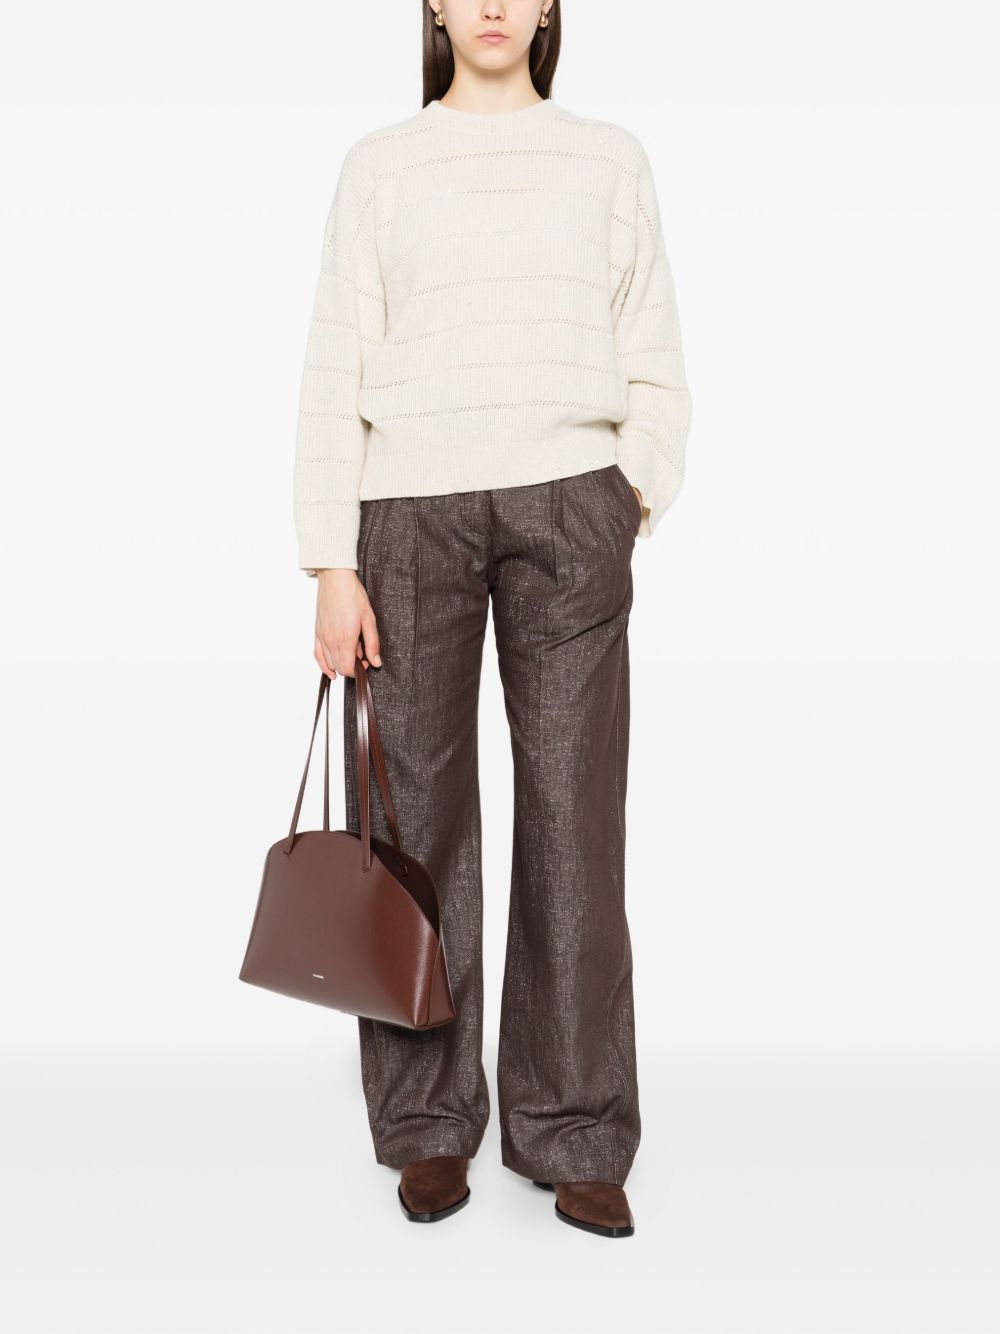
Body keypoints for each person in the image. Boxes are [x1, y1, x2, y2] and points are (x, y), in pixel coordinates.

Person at [292, 0, 691, 1239]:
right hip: (406, 515)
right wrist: (330, 560)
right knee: (411, 826)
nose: (493, 4)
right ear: (431, 5)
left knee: (574, 821)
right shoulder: (381, 166)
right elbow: (335, 362)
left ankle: (574, 1126)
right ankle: (425, 1120)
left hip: (569, 505)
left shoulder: (606, 157)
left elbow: (653, 347)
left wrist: (631, 491)